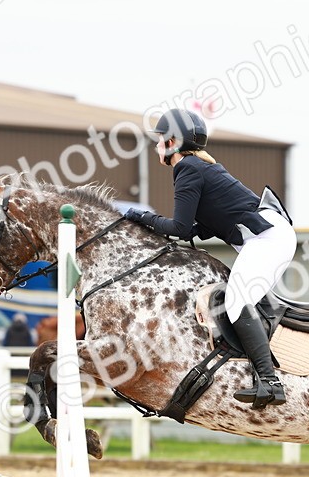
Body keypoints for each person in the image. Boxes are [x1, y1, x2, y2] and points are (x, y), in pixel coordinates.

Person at [124, 108, 296, 409]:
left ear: (173, 142)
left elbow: (178, 228)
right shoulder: (197, 166)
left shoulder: (188, 168)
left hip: (268, 238)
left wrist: (141, 217)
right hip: (264, 237)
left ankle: (270, 381)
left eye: (160, 139)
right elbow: (192, 228)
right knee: (239, 300)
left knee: (236, 301)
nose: (155, 145)